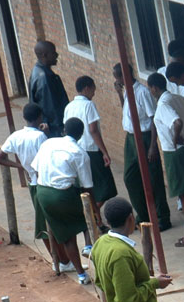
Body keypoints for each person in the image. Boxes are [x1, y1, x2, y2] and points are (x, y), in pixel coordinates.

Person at [0, 103, 71, 269]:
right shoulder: (40, 137)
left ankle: (60, 260)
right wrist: (47, 134)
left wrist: (21, 166)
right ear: (39, 118)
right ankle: (61, 261)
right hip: (44, 183)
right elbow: (48, 156)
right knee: (49, 223)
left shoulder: (16, 136)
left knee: (44, 221)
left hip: (32, 183)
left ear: (24, 118)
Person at [31, 118, 94, 284]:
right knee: (87, 217)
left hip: (42, 192)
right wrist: (94, 209)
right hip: (62, 193)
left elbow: (36, 169)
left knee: (67, 237)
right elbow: (87, 186)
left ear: (64, 129)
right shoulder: (80, 152)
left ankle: (81, 275)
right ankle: (88, 246)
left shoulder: (48, 143)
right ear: (81, 134)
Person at [112, 62, 171, 231]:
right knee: (130, 177)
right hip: (130, 138)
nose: (117, 80)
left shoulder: (143, 93)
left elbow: (153, 119)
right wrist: (119, 94)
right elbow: (127, 113)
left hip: (145, 137)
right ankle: (143, 214)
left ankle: (162, 217)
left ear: (125, 75)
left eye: (118, 77)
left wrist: (153, 146)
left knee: (153, 178)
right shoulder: (126, 92)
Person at [147, 72, 184, 246]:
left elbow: (176, 122)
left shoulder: (163, 104)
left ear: (154, 88)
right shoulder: (177, 98)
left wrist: (176, 136)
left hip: (174, 151)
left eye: (150, 88)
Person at [64, 76, 117, 212]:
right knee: (106, 187)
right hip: (91, 150)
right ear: (87, 88)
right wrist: (104, 151)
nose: (94, 93)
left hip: (76, 148)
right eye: (93, 89)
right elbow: (93, 130)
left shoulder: (69, 107)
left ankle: (93, 214)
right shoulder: (89, 105)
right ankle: (92, 213)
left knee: (87, 185)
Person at [29, 41, 68, 137]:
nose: (57, 55)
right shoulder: (44, 78)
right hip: (54, 130)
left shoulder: (38, 71)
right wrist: (61, 131)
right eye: (53, 53)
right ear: (44, 55)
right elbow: (51, 109)